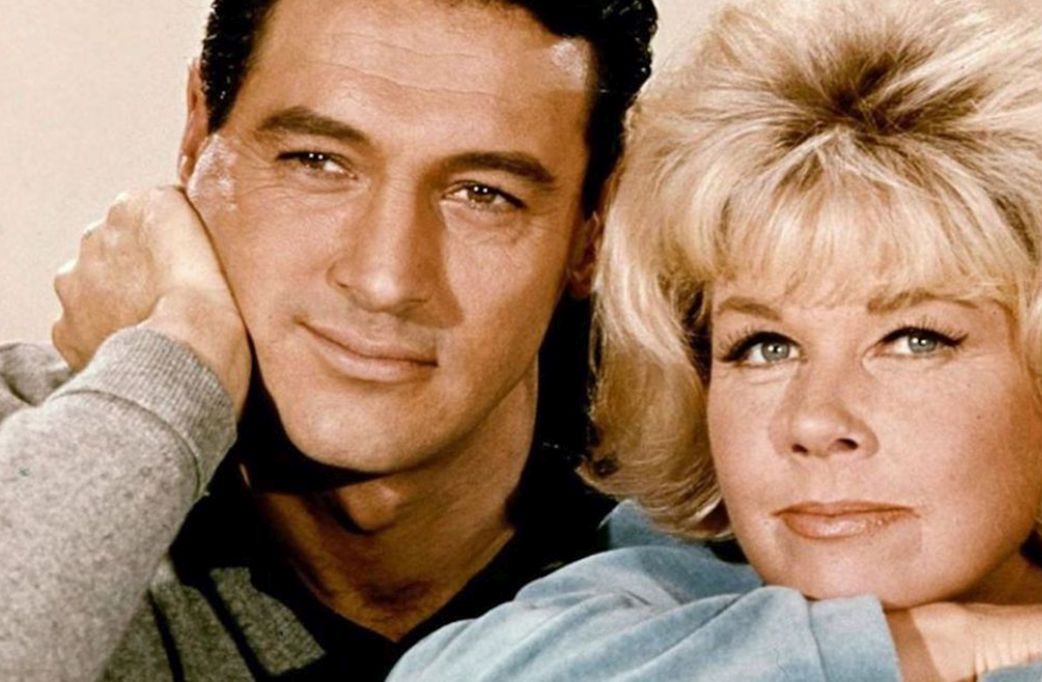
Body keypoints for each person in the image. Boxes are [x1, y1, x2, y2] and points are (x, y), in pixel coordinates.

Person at [388, 0, 1042, 679]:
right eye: (766, 346)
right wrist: (953, 642)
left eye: (914, 339)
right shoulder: (665, 601)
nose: (815, 421)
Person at [0, 0, 656, 679]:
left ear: (593, 228)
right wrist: (174, 366)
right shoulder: (27, 450)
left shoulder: (700, 567)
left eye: (483, 195)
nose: (384, 280)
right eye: (316, 161)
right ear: (197, 133)